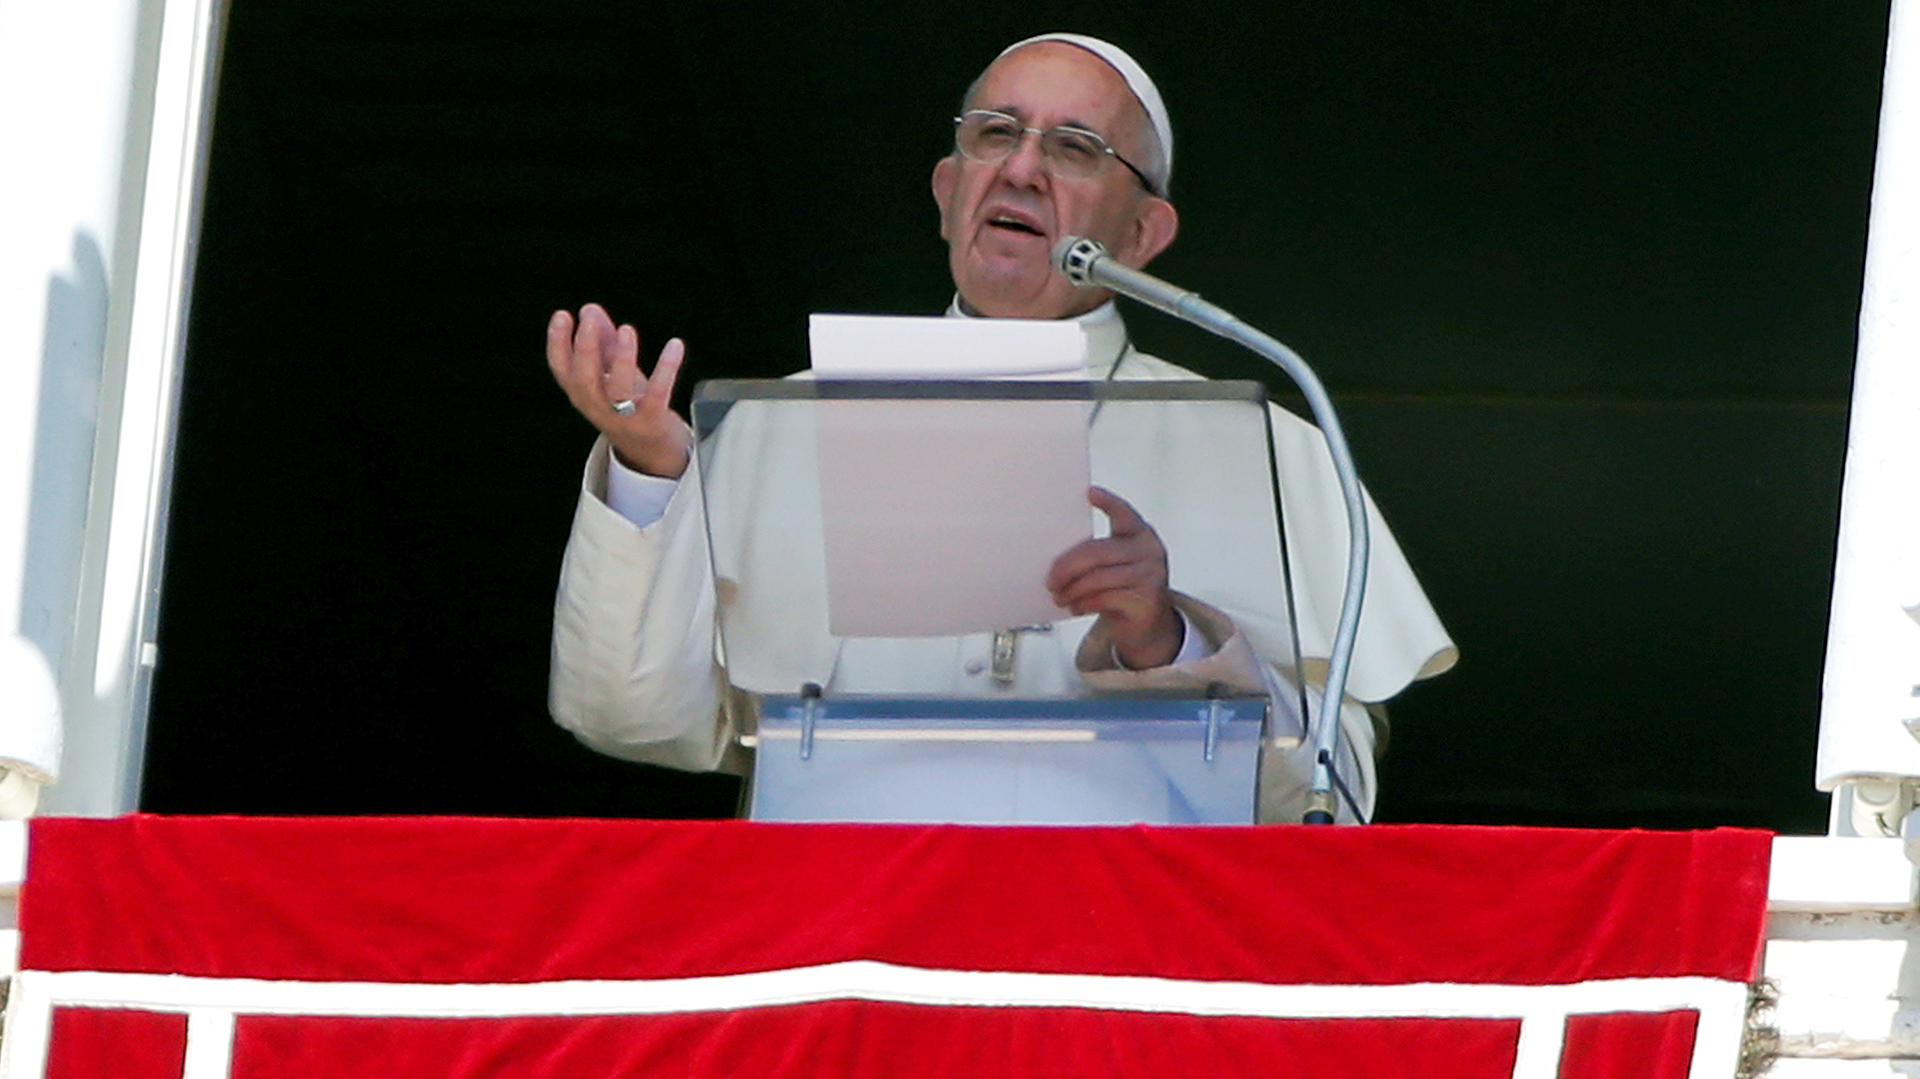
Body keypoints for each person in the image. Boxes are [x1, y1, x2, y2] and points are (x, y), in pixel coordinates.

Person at [544, 33, 1457, 822]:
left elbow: (1332, 799)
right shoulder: (781, 424)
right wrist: (651, 468)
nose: (1022, 167)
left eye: (1074, 147)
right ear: (948, 191)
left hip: (1120, 957)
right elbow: (631, 719)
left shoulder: (1264, 450)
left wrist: (1166, 641)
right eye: (995, 134)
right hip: (847, 947)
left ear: (1143, 233)